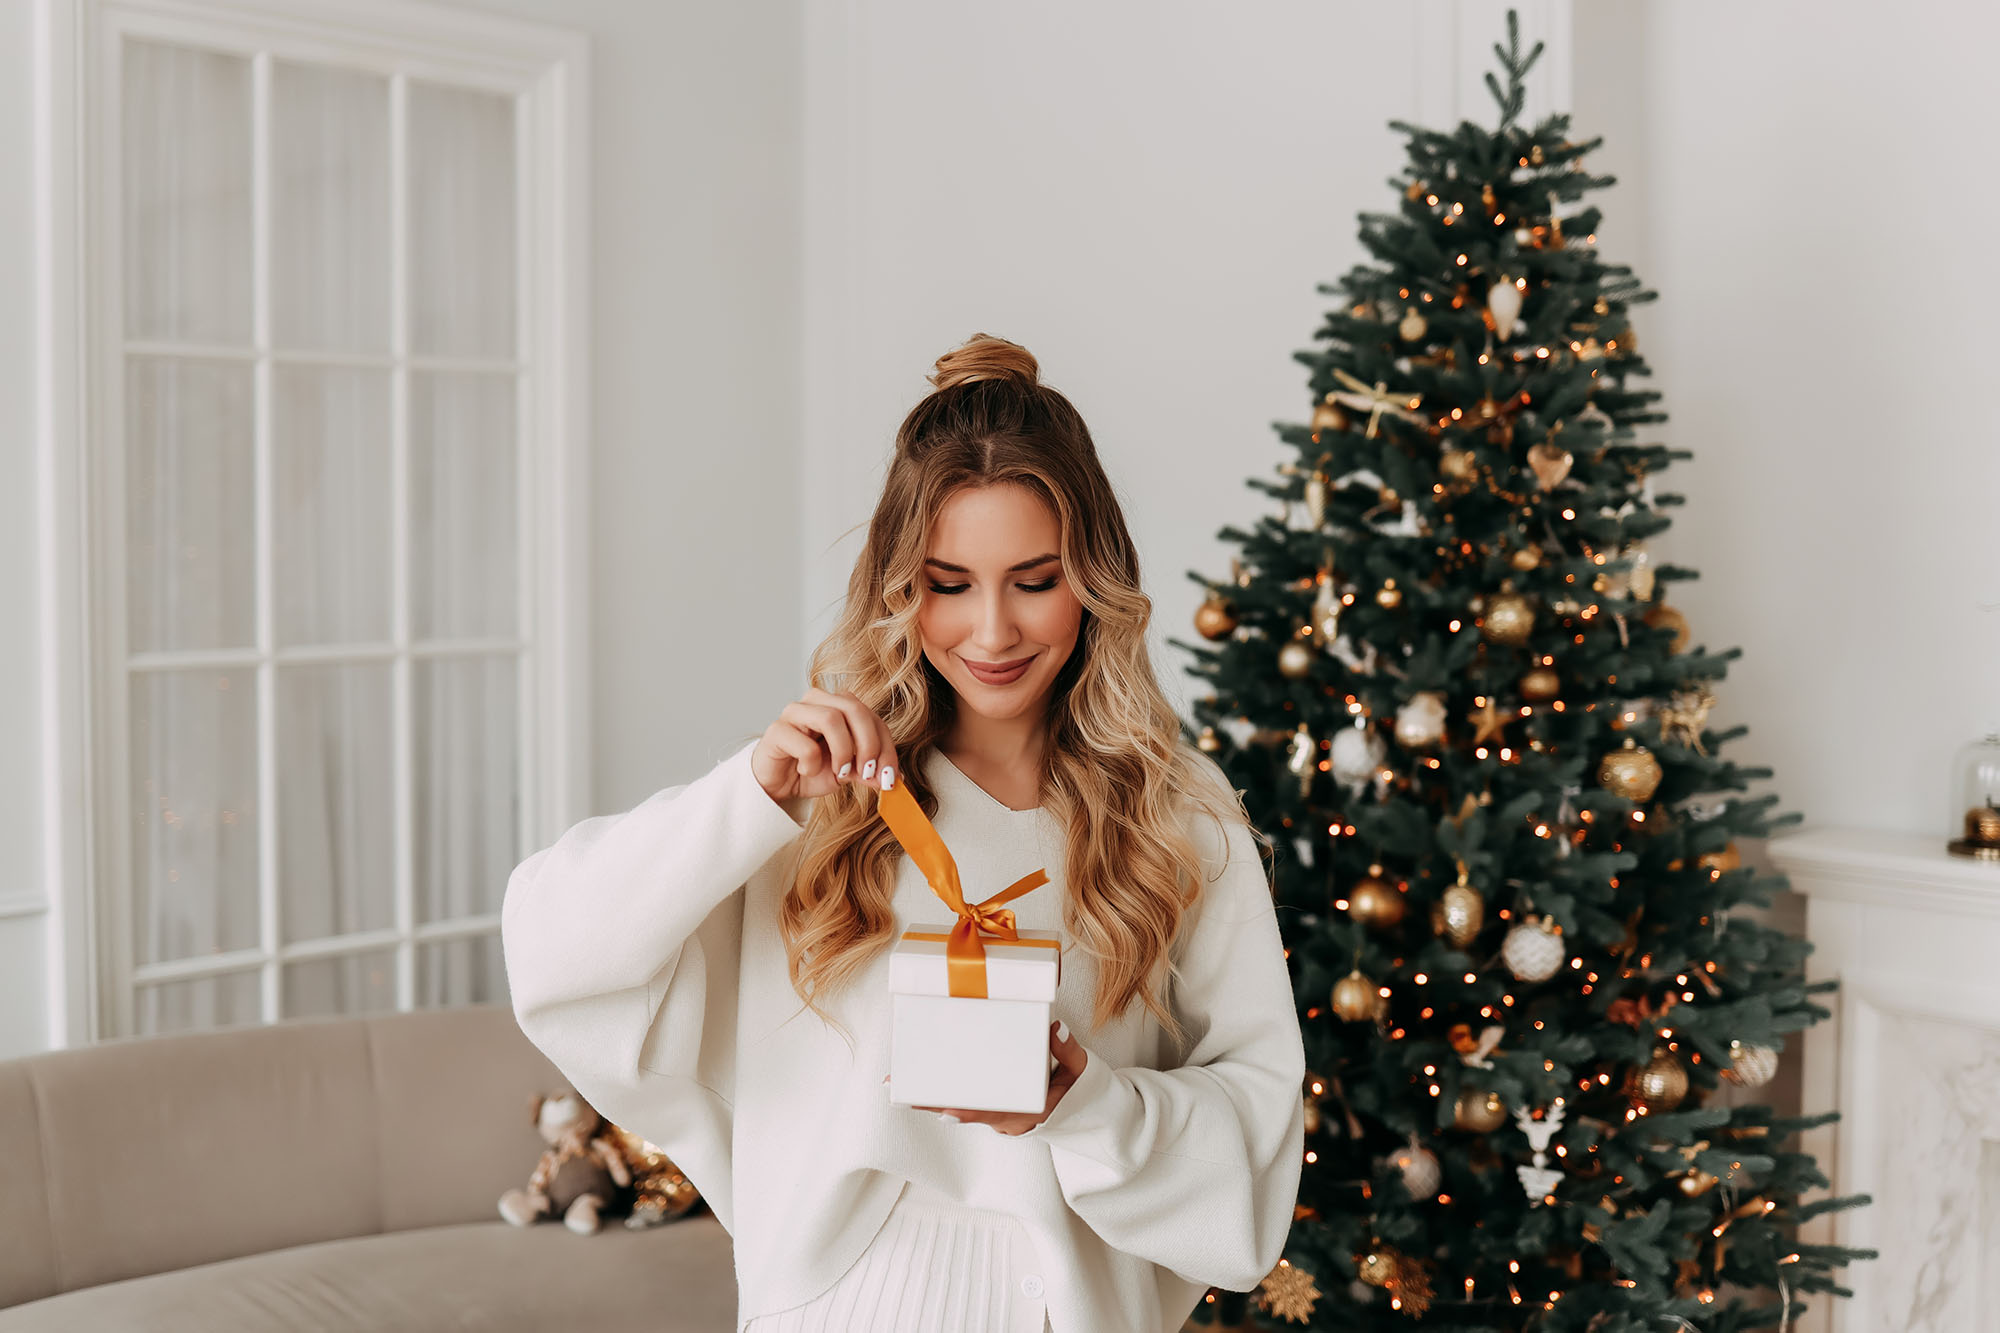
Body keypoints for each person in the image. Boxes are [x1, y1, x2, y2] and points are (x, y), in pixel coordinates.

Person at [501, 333, 1306, 1333]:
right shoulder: (817, 792)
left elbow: (1256, 1139)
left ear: (1092, 577)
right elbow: (551, 950)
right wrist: (744, 796)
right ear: (897, 585)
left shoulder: (1174, 811)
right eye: (949, 582)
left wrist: (1084, 1103)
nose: (993, 631)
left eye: (1035, 578)